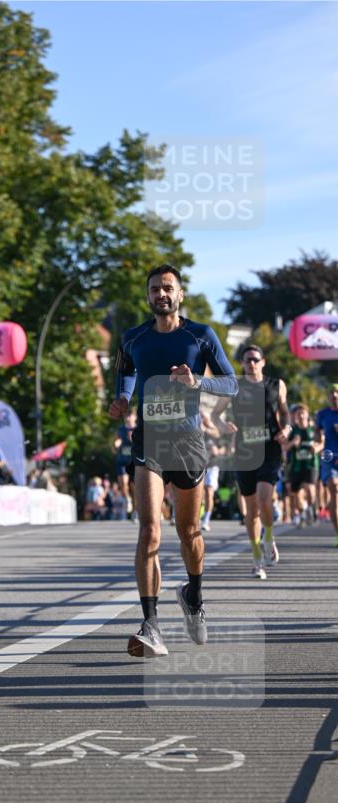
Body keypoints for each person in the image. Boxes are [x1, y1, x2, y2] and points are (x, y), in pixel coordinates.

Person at [109, 263, 238, 657]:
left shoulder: (200, 335)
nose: (161, 294)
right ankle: (150, 624)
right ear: (148, 296)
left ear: (180, 294)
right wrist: (124, 399)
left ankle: (193, 594)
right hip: (149, 439)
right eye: (154, 289)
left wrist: (198, 381)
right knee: (149, 531)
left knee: (189, 533)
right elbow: (126, 373)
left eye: (168, 288)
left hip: (188, 441)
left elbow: (231, 382)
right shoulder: (134, 338)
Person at [211, 344, 290, 579]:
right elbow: (215, 414)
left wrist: (287, 427)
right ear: (243, 364)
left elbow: (285, 412)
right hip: (245, 452)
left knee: (266, 498)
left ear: (263, 362)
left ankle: (268, 537)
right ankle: (257, 559)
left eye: (255, 359)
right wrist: (223, 426)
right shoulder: (234, 386)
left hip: (270, 449)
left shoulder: (277, 385)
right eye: (247, 360)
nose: (251, 363)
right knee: (251, 511)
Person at [284, 405, 318, 526]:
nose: (301, 416)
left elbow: (322, 443)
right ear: (295, 417)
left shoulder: (313, 430)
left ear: (307, 415)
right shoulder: (292, 431)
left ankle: (312, 509)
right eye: (298, 414)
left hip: (311, 465)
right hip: (296, 466)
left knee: (310, 488)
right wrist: (293, 443)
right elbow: (284, 447)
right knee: (297, 495)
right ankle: (304, 511)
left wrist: (317, 448)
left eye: (303, 413)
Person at [314, 384, 338, 546]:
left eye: (337, 393)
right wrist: (318, 437)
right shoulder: (323, 414)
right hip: (330, 458)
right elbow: (317, 433)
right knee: (334, 489)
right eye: (331, 393)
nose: (334, 395)